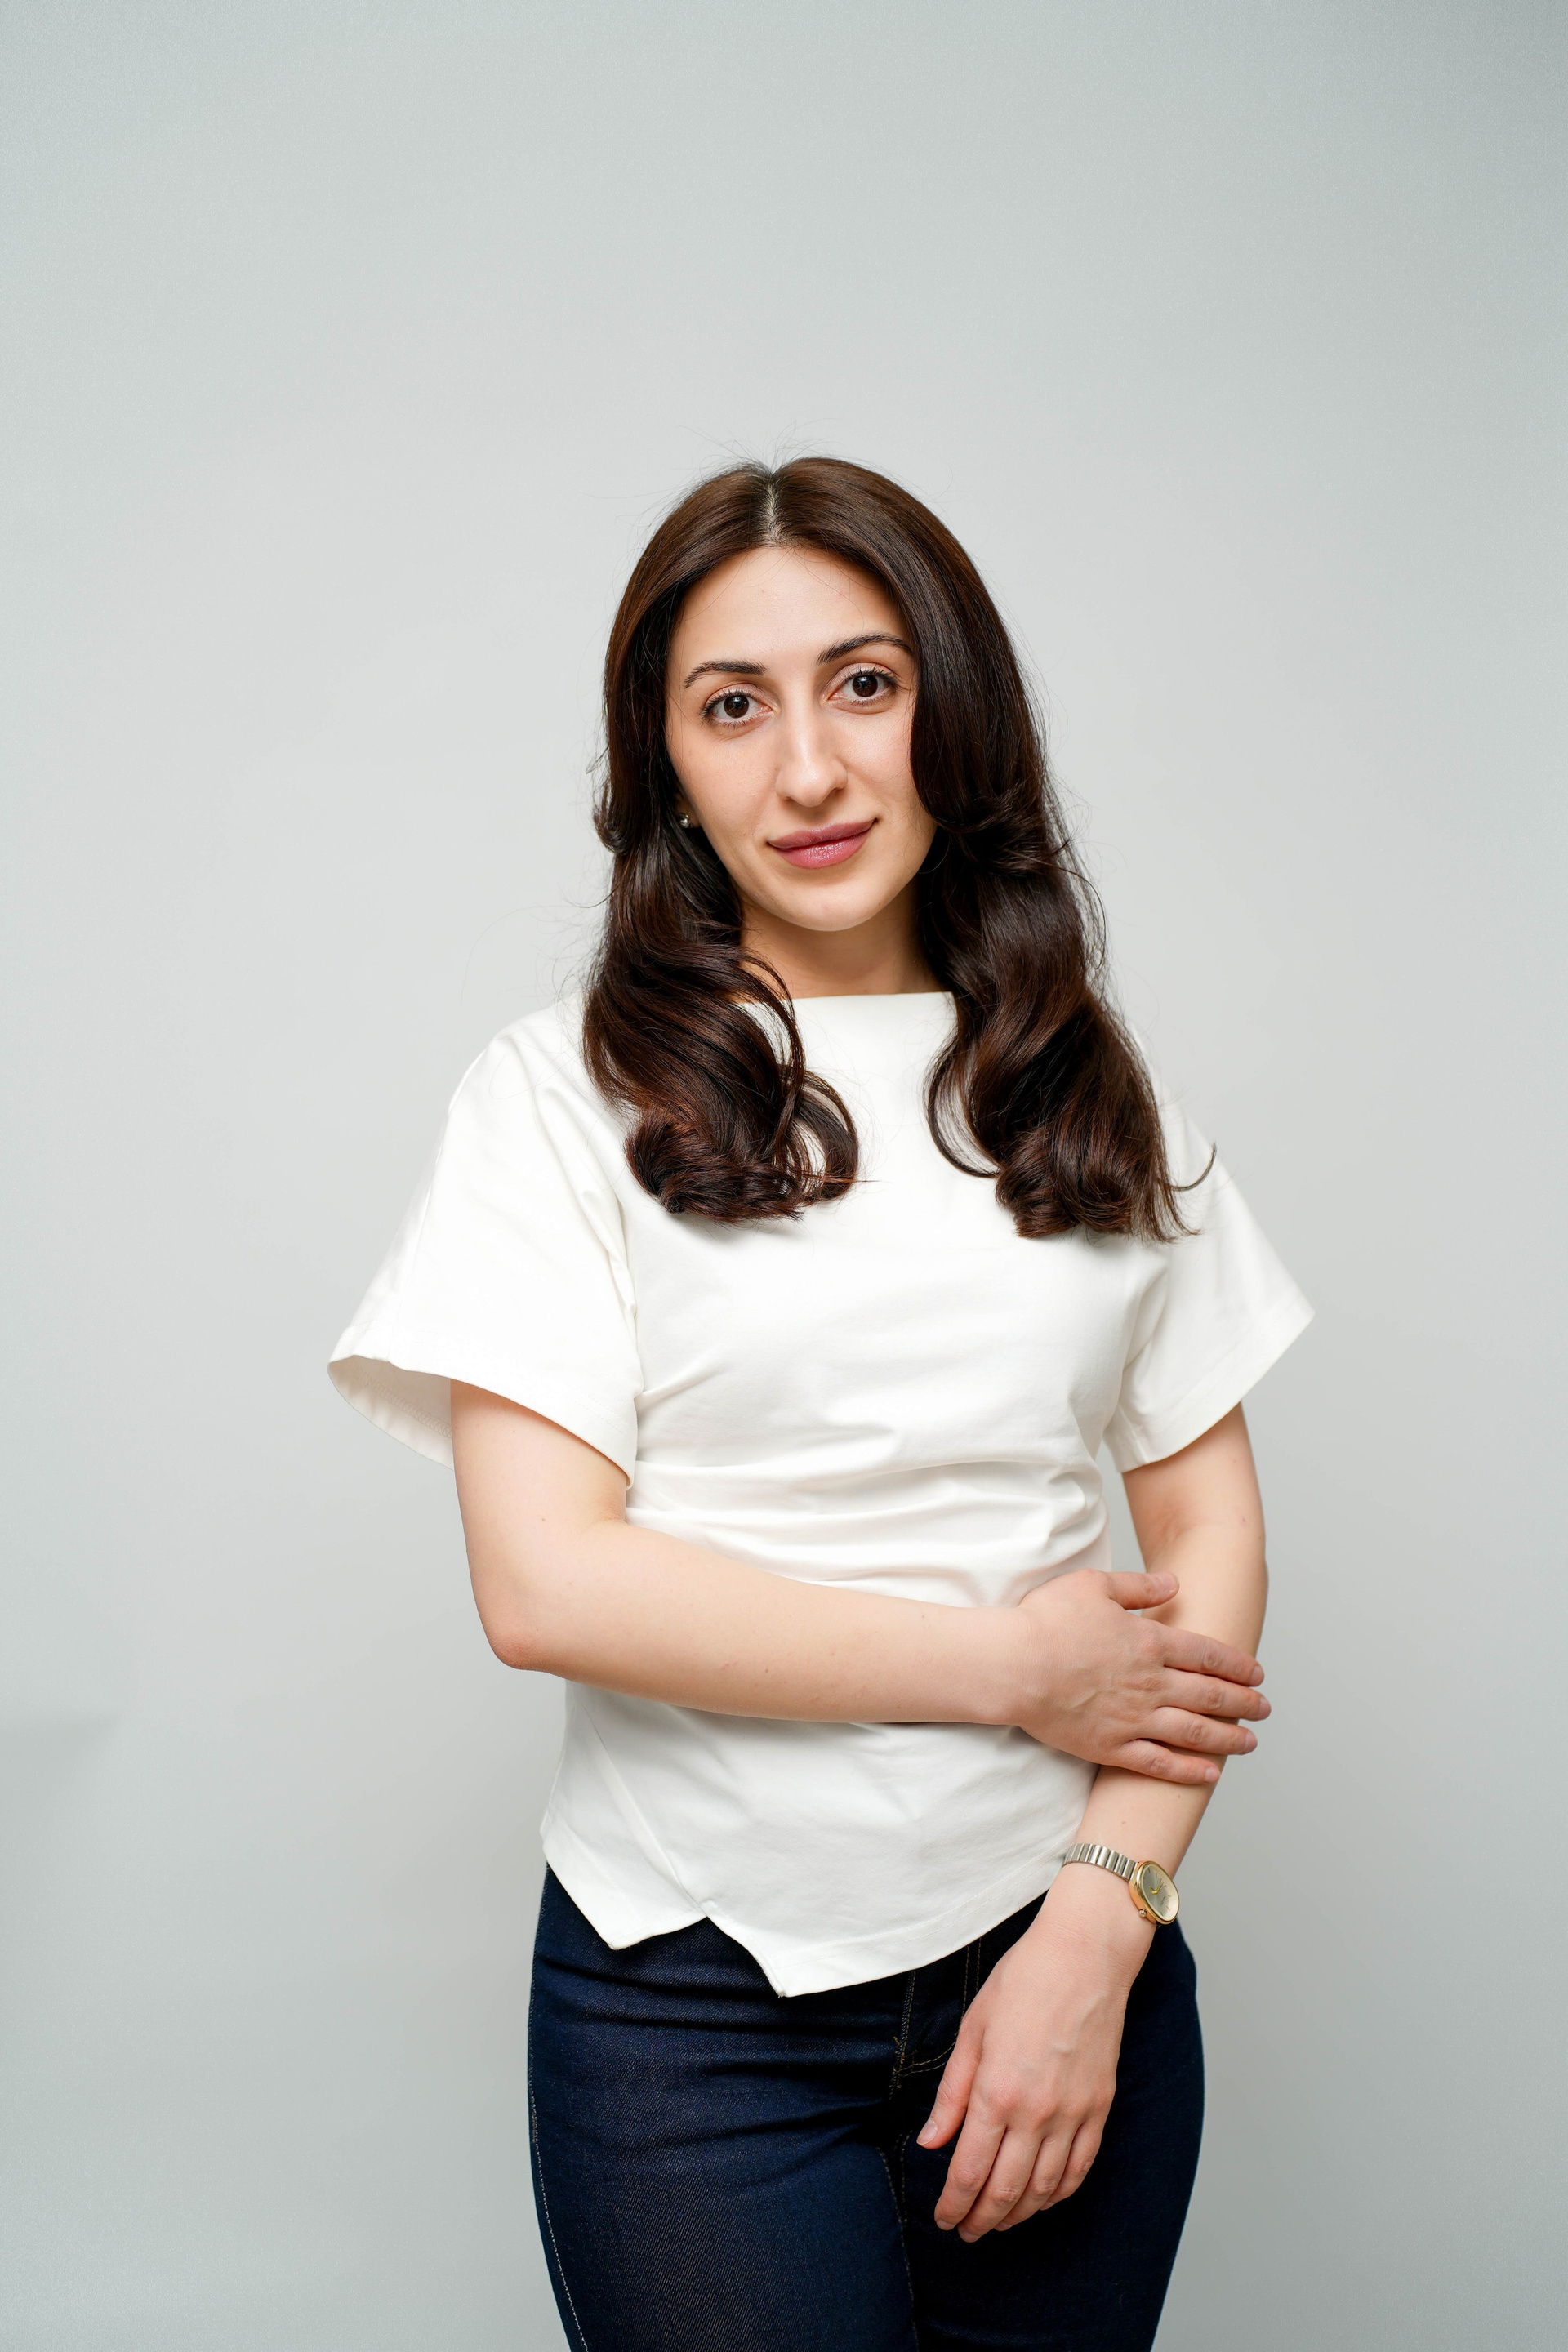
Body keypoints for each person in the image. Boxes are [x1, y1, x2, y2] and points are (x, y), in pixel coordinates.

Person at [330, 457, 1312, 2352]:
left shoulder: (1085, 1082)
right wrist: (1012, 1671)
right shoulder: (555, 1098)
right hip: (689, 2007)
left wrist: (1100, 1927)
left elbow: (1210, 1528)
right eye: (732, 706)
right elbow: (547, 1584)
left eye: (866, 684)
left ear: (958, 707)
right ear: (667, 762)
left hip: (1064, 1957)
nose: (809, 769)